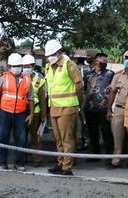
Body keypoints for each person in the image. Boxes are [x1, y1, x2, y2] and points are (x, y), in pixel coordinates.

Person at [44, 40, 84, 175]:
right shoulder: (48, 67)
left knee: (67, 139)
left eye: (52, 54)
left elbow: (79, 84)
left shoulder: (69, 64)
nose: (50, 57)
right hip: (54, 107)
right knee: (58, 139)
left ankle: (67, 167)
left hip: (68, 108)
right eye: (48, 55)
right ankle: (60, 163)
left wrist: (77, 102)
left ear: (59, 52)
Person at [0, 53, 34, 171]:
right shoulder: (3, 78)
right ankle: (1, 163)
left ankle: (19, 163)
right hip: (4, 113)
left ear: (21, 66)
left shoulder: (27, 79)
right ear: (9, 66)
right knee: (2, 137)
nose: (16, 68)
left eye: (18, 65)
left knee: (21, 139)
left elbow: (31, 98)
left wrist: (31, 114)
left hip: (21, 114)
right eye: (13, 65)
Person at [106, 49, 128, 168]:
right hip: (119, 110)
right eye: (126, 58)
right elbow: (112, 93)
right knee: (117, 137)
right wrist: (109, 109)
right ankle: (116, 160)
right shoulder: (118, 75)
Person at [84, 52, 115, 165]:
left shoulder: (110, 74)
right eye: (103, 61)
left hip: (104, 108)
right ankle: (95, 154)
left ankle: (109, 156)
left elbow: (113, 90)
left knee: (106, 132)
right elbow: (84, 90)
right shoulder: (88, 75)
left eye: (106, 61)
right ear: (96, 61)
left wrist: (110, 108)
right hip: (90, 108)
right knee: (92, 132)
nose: (105, 63)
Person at [22, 54, 47, 167]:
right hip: (21, 112)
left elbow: (43, 100)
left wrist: (43, 116)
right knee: (22, 136)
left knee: (35, 137)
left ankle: (37, 159)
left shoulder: (40, 80)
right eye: (23, 66)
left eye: (27, 66)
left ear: (33, 67)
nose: (25, 68)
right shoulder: (20, 78)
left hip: (35, 113)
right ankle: (23, 157)